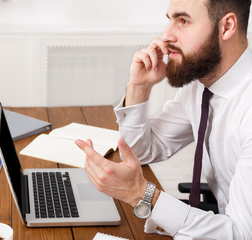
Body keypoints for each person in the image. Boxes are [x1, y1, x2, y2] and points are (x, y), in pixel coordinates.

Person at [75, 0, 252, 239]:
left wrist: (142, 195)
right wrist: (138, 87)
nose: (166, 36)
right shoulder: (202, 85)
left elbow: (241, 234)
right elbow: (142, 151)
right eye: (169, 20)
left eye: (183, 21)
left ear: (227, 26)